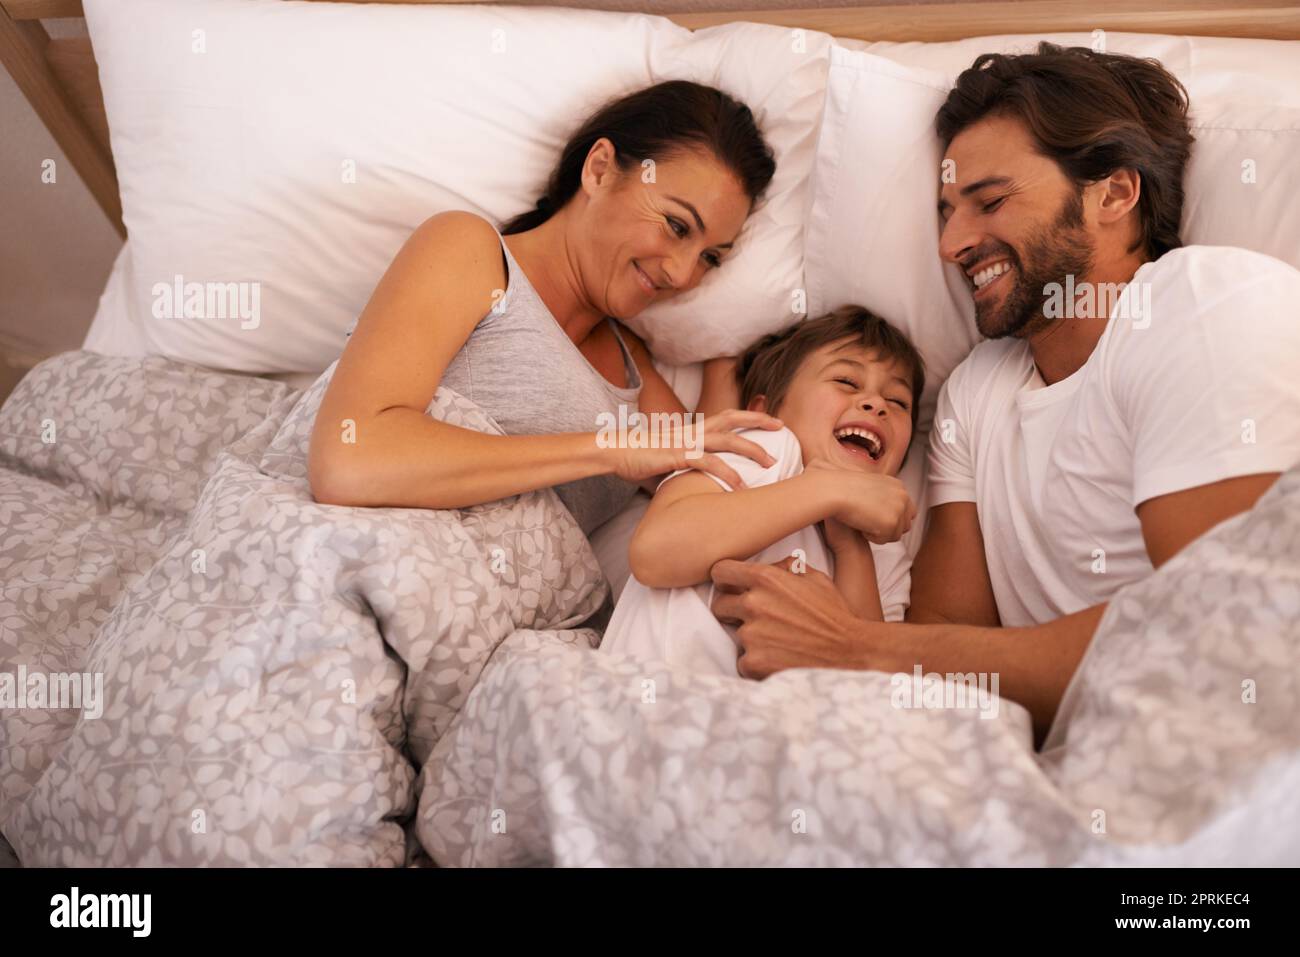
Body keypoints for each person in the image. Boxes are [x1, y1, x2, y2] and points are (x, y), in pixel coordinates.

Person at [706, 44, 1300, 746]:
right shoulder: (975, 392)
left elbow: (1220, 634)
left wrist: (853, 644)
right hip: (1026, 766)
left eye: (989, 201)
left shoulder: (1203, 302)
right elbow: (944, 645)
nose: (951, 243)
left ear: (1114, 192)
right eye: (946, 210)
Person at [307, 81, 784, 535]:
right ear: (599, 170)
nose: (682, 275)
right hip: (355, 555)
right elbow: (349, 459)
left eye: (710, 258)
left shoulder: (630, 365)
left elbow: (713, 489)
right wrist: (606, 450)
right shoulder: (473, 254)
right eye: (677, 226)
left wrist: (725, 350)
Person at [601, 306, 922, 676]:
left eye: (898, 402)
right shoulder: (765, 447)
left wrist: (851, 548)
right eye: (846, 382)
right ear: (764, 411)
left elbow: (872, 681)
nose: (876, 404)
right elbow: (653, 554)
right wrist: (827, 489)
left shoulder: (888, 550)